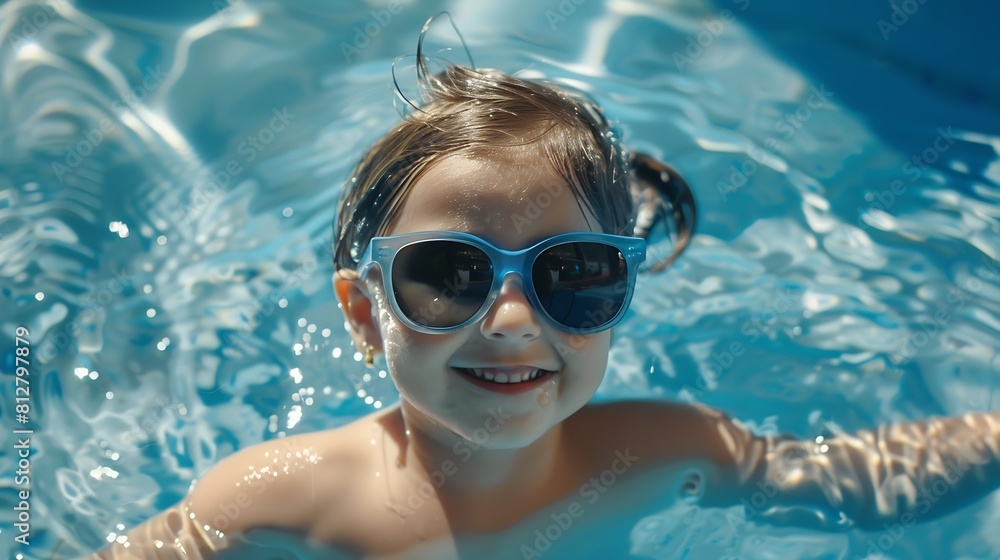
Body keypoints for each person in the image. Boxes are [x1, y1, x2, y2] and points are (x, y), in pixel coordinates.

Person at [82, 21, 1000, 560]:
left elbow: (856, 481)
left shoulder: (659, 448)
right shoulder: (281, 498)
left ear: (621, 295)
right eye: (448, 276)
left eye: (574, 277)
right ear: (365, 313)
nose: (514, 320)